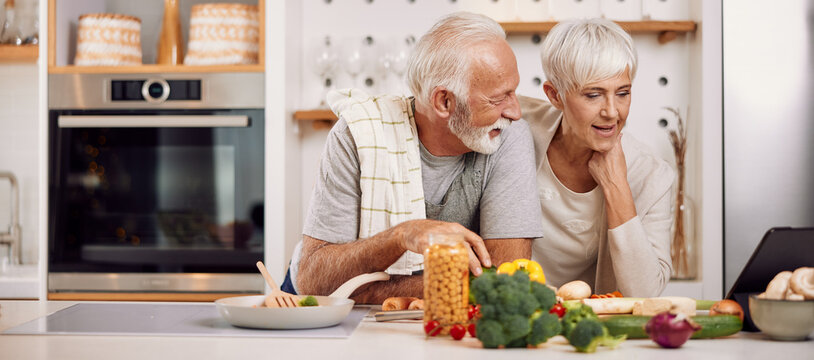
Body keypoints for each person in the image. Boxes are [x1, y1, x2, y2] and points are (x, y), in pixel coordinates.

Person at [283, 12, 544, 304]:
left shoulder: (507, 133)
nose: (515, 112)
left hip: (401, 307)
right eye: (498, 99)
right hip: (310, 304)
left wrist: (365, 290)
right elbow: (314, 281)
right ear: (444, 101)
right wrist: (402, 235)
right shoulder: (358, 132)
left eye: (513, 93)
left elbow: (504, 283)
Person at [519, 18, 674, 297]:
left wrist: (617, 186)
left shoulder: (653, 174)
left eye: (623, 93)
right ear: (555, 95)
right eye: (593, 95)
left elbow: (645, 294)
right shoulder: (515, 128)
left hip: (595, 328)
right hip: (519, 318)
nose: (612, 112)